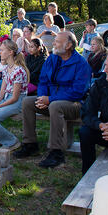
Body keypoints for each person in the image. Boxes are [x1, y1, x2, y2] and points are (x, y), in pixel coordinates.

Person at [14, 31, 91, 168]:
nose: (53, 43)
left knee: (55, 106)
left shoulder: (81, 64)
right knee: (27, 102)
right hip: (51, 100)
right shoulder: (52, 59)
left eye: (57, 41)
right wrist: (42, 98)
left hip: (75, 104)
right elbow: (43, 81)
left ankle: (56, 152)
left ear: (68, 45)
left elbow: (78, 92)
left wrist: (50, 99)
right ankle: (30, 144)